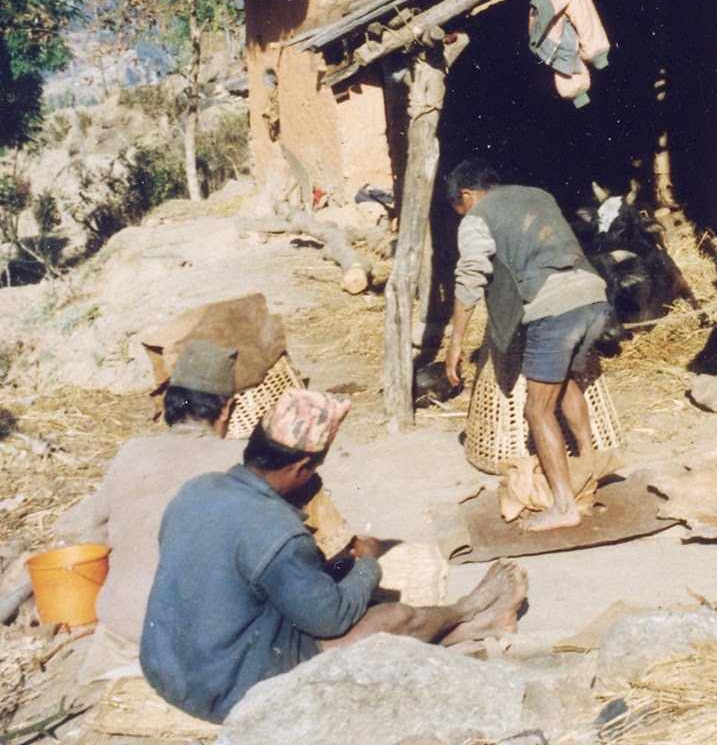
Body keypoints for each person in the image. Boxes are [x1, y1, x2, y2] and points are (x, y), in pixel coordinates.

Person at [141, 389, 527, 724]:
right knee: (393, 618)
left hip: (167, 672)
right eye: (315, 468)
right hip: (228, 692)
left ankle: (471, 629)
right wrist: (369, 564)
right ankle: (466, 610)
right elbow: (332, 618)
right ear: (301, 467)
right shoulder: (277, 530)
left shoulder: (198, 489)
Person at [443, 158, 614, 532]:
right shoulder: (538, 195)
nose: (461, 216)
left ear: (467, 196)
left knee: (537, 411)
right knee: (567, 380)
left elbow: (471, 275)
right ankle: (588, 470)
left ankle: (565, 506)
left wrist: (455, 342)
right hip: (593, 295)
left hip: (555, 308)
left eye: (459, 209)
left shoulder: (477, 217)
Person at [81, 339, 244, 680]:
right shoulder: (239, 459)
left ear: (170, 401)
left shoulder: (132, 451)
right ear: (226, 409)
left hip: (123, 631)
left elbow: (95, 537)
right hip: (197, 640)